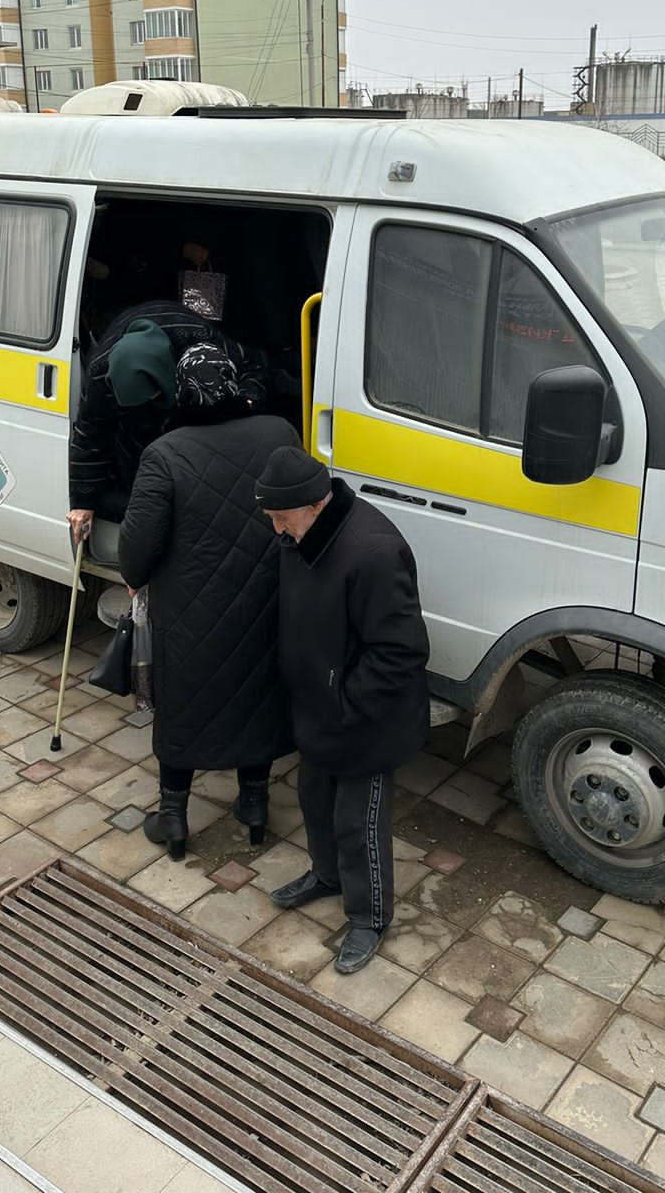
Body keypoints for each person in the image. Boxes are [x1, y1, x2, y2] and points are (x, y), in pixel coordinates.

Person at [118, 345, 299, 859]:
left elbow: (136, 549)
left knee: (184, 705)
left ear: (182, 391)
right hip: (266, 601)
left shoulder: (165, 453)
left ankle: (173, 818)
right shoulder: (278, 432)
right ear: (233, 384)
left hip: (190, 611)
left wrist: (135, 578)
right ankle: (255, 806)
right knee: (257, 696)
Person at [255, 446, 430, 975]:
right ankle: (326, 875)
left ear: (315, 505)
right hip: (317, 707)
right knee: (314, 798)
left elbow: (401, 651)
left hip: (364, 720)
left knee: (360, 821)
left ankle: (369, 917)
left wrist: (345, 701)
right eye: (271, 518)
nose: (276, 530)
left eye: (282, 518)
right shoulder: (299, 537)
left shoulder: (373, 553)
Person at [68, 298, 266, 538]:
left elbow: (253, 365)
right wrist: (83, 501)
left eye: (153, 397)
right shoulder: (101, 373)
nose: (150, 406)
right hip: (133, 425)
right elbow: (90, 432)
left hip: (194, 404)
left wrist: (246, 404)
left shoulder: (197, 339)